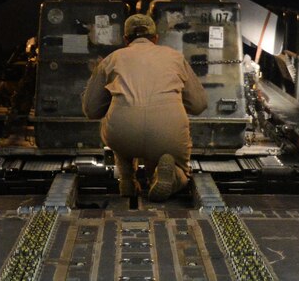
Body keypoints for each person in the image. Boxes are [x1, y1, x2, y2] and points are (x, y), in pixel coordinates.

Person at [82, 13, 208, 201]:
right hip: (168, 133)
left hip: (123, 135)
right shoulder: (175, 57)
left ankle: (127, 179)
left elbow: (91, 110)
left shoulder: (111, 59)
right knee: (181, 168)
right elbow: (199, 105)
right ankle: (171, 174)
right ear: (155, 38)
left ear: (126, 39)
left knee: (115, 124)